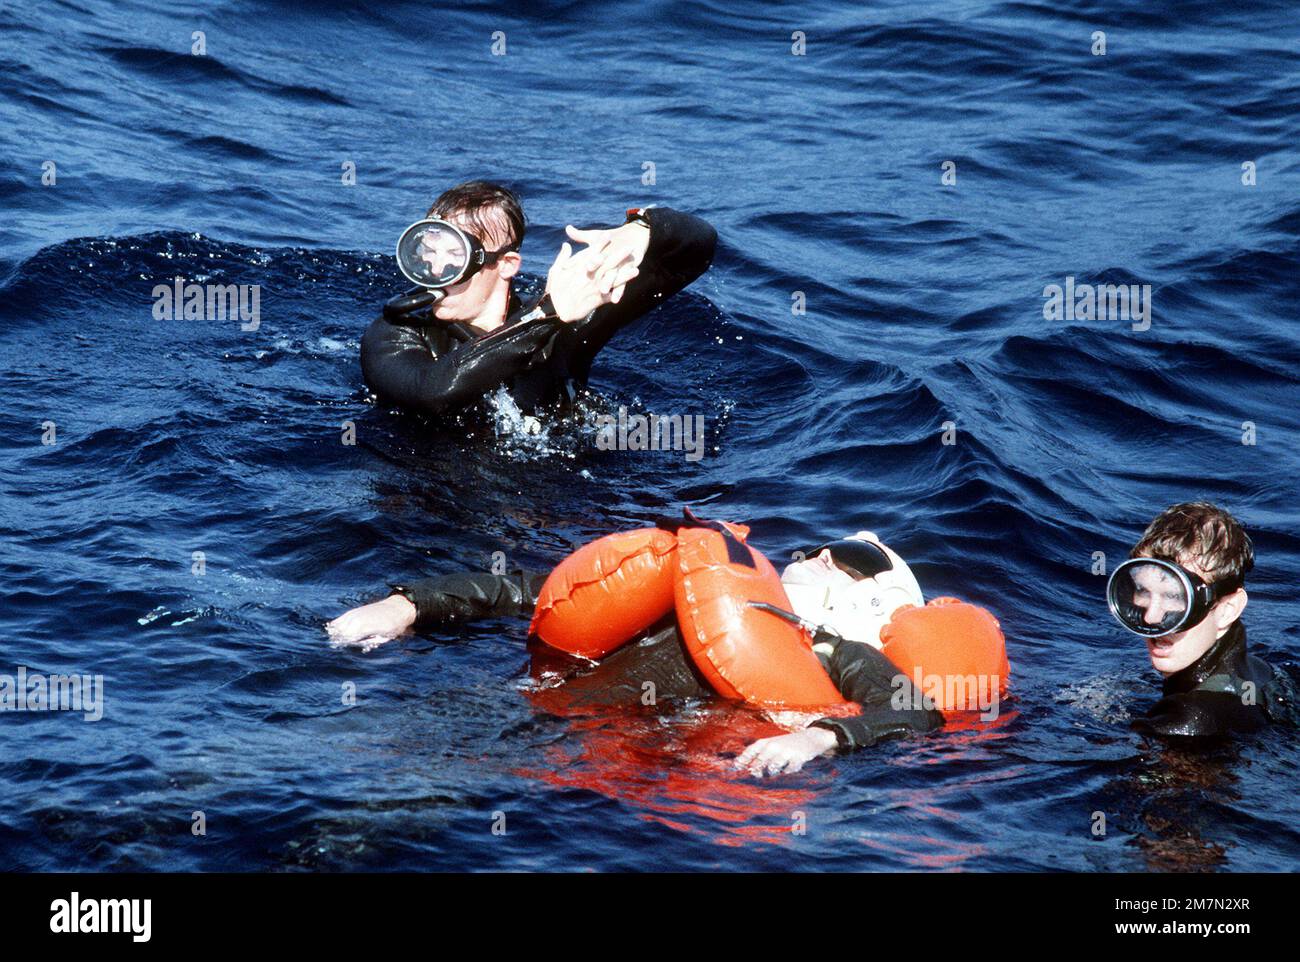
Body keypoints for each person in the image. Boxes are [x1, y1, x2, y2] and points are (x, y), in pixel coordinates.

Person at [327, 527, 953, 776]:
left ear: (875, 605)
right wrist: (410, 604)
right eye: (823, 545)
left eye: (851, 560)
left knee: (395, 807)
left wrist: (816, 739)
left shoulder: (832, 653)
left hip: (587, 758)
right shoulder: (705, 594)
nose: (819, 555)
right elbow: (531, 594)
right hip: (518, 706)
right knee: (344, 760)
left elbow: (917, 711)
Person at [361, 181, 717, 418]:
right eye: (425, 250)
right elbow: (432, 392)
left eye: (453, 255)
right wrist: (547, 313)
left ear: (506, 265)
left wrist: (641, 229)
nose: (434, 268)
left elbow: (697, 250)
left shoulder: (567, 321)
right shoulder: (399, 330)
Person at [1106, 501, 1291, 738]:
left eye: (1176, 597)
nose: (1151, 617)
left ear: (1228, 610)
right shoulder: (1263, 672)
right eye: (1142, 591)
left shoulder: (1187, 721)